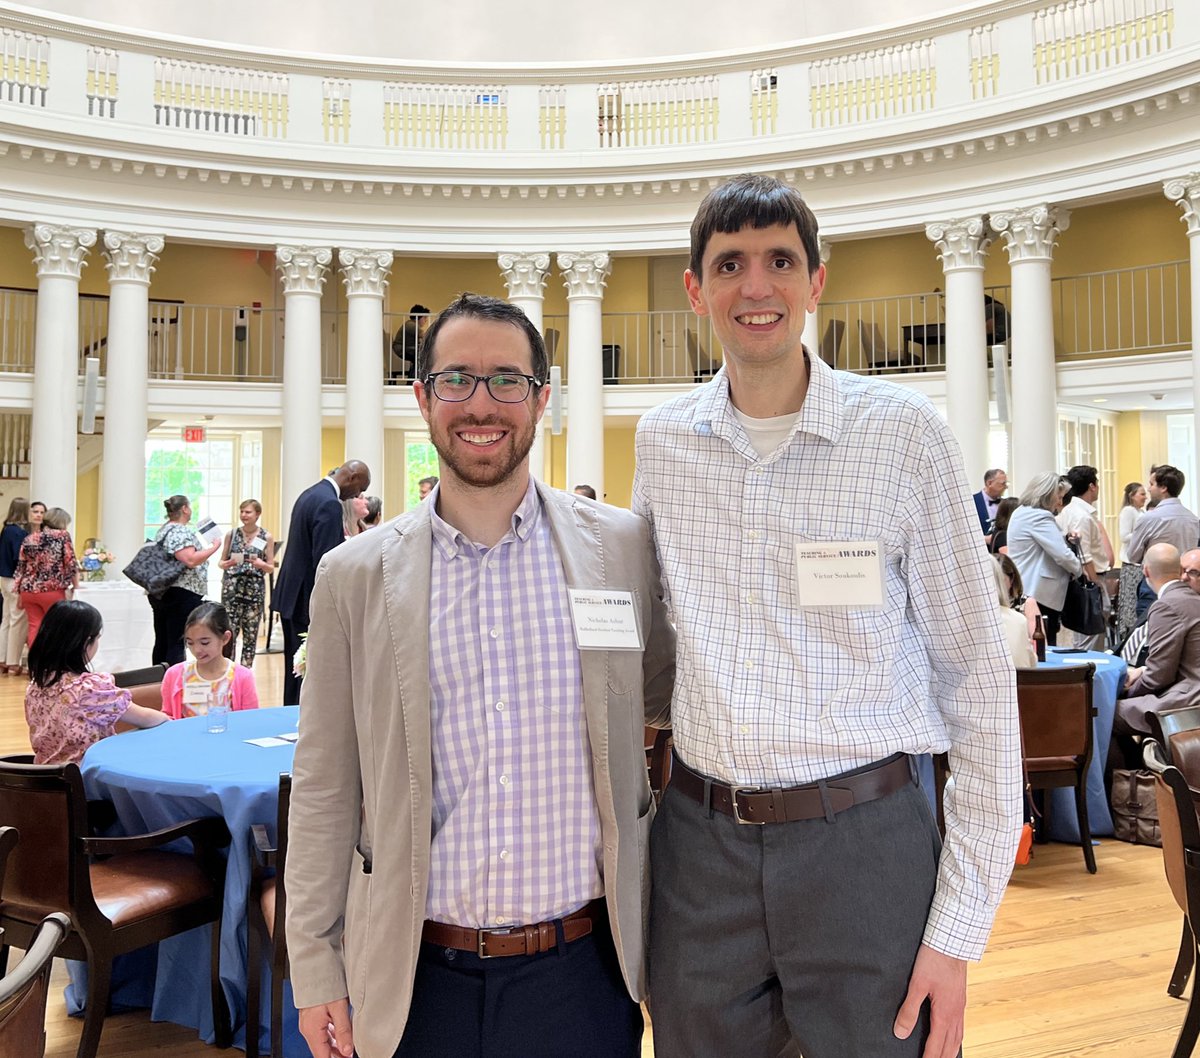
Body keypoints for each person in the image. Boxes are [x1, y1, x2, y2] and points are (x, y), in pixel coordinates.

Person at [631, 174, 1019, 1058]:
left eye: (780, 260)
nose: (756, 286)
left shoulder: (904, 433)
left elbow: (977, 679)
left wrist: (958, 929)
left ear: (817, 279)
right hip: (699, 849)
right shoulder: (662, 443)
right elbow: (654, 650)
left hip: (866, 844)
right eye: (730, 264)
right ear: (697, 289)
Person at [286, 293, 674, 1058]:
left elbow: (662, 708)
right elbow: (326, 786)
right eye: (457, 380)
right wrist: (314, 962)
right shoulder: (353, 576)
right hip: (415, 977)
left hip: (587, 972)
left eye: (507, 380)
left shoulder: (622, 549)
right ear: (423, 397)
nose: (482, 404)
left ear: (543, 399)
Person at [271, 460, 371, 706]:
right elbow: (326, 562)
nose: (357, 495)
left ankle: (291, 714)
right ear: (352, 478)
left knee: (293, 669)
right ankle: (300, 720)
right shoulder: (329, 503)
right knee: (304, 669)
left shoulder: (310, 493)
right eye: (359, 489)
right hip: (305, 599)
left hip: (291, 595)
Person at [24, 599, 167, 764]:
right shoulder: (89, 689)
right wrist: (169, 719)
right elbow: (147, 718)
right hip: (87, 778)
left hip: (46, 778)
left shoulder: (35, 686)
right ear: (85, 642)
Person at [1117, 543, 1200, 736]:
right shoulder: (1192, 600)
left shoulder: (1167, 605)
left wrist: (1122, 693)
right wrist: (1143, 670)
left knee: (1101, 711)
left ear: (1145, 571)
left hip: (1189, 701)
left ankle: (1135, 766)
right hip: (1188, 690)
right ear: (1180, 571)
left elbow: (1159, 676)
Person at [1006, 472, 1082, 646]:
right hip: (1039, 593)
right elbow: (1062, 555)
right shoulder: (1039, 516)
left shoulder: (1021, 512)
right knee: (1044, 647)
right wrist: (1078, 569)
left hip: (1026, 587)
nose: (1060, 502)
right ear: (1046, 495)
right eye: (1059, 497)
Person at [150, 495, 221, 666]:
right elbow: (190, 559)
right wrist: (214, 547)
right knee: (176, 640)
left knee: (162, 640)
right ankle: (174, 681)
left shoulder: (163, 530)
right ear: (184, 509)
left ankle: (158, 680)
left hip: (162, 591)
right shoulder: (180, 530)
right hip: (179, 593)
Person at [161, 602, 260, 719]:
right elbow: (167, 717)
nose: (197, 650)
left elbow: (251, 720)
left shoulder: (242, 676)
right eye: (190, 643)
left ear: (225, 638)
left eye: (205, 643)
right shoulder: (175, 675)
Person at [1056, 465, 1111, 650]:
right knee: (1090, 639)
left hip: (1079, 579)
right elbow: (1085, 556)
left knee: (1086, 636)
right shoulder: (1082, 516)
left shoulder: (1070, 511)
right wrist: (1096, 585)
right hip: (1090, 579)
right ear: (1092, 486)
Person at [218, 499, 274, 668]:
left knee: (251, 632)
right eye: (242, 511)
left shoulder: (266, 536)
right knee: (229, 631)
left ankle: (245, 672)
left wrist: (261, 564)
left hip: (254, 590)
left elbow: (270, 566)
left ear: (257, 514)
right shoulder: (232, 534)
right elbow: (221, 562)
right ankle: (227, 669)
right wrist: (226, 564)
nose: (244, 515)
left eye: (248, 512)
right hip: (232, 589)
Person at [14, 506, 79, 650]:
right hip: (51, 589)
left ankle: (36, 666)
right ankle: (54, 665)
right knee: (57, 627)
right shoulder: (62, 536)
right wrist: (76, 586)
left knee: (34, 626)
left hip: (28, 591)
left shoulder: (29, 538)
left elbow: (21, 566)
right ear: (62, 522)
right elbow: (70, 563)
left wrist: (18, 591)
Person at [1126, 464, 1200, 566]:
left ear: (1163, 488)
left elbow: (1133, 556)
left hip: (1156, 579)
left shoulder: (1148, 519)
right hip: (1184, 578)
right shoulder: (1194, 519)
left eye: (1152, 484)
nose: (1148, 489)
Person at [0, 497, 32, 675]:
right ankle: (13, 661)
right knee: (17, 621)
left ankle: (2, 658)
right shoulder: (18, 533)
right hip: (14, 579)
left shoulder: (6, 529)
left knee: (6, 619)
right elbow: (19, 558)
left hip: (4, 578)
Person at [1116, 481, 1148, 644]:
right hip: (1131, 564)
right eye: (1142, 494)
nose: (1145, 497)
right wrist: (1142, 535)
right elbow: (1124, 536)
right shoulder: (1128, 512)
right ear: (1132, 496)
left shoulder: (1141, 512)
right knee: (1130, 603)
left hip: (1140, 563)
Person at [992, 556, 1036, 668]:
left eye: (1001, 581)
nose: (996, 586)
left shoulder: (1025, 604)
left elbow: (1038, 642)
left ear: (1012, 580)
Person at [391, 303, 431, 382]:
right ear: (419, 317)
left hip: (404, 348)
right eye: (425, 318)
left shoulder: (410, 324)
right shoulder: (412, 325)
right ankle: (413, 379)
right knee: (422, 355)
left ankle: (413, 378)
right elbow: (426, 337)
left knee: (419, 355)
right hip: (402, 349)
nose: (426, 320)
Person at [972, 467, 1008, 538]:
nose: (1006, 487)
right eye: (1003, 483)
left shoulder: (1005, 503)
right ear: (989, 483)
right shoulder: (973, 501)